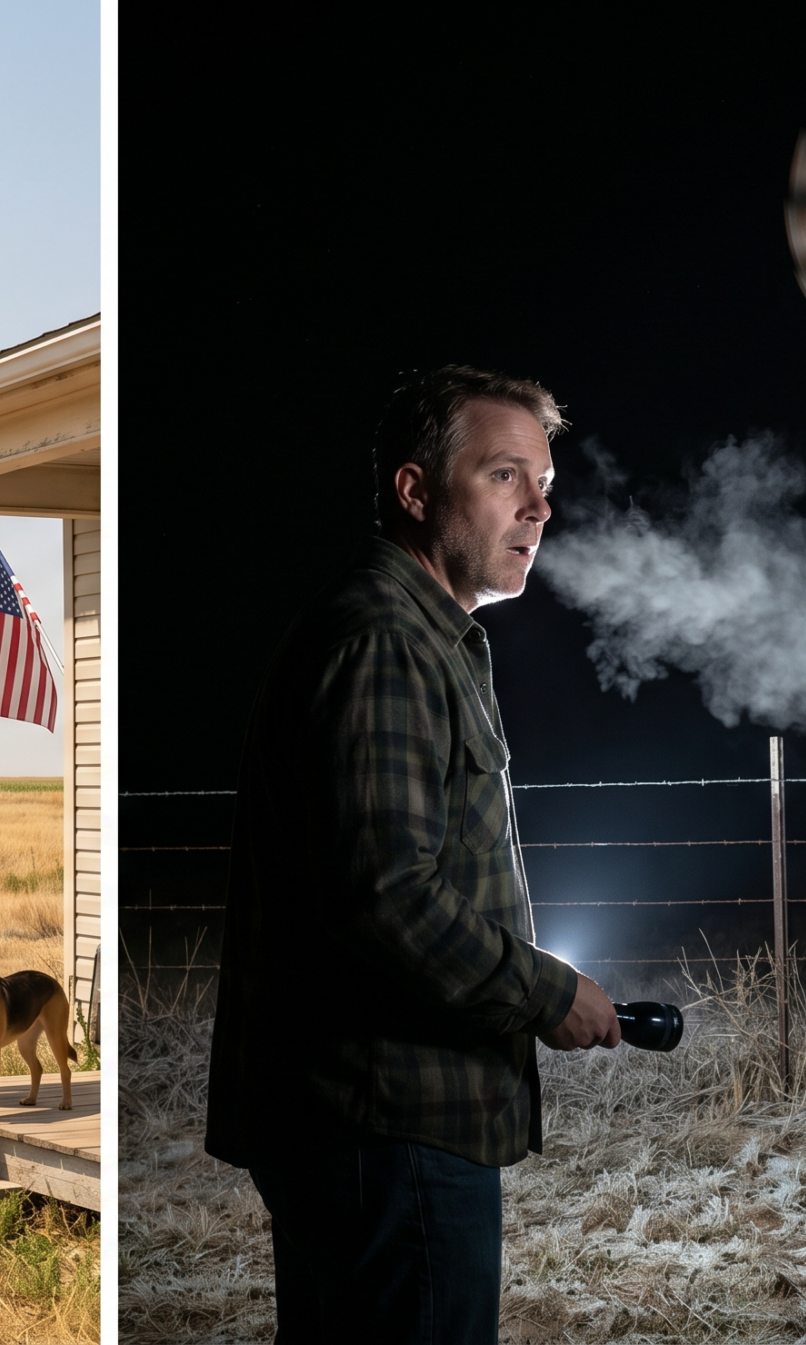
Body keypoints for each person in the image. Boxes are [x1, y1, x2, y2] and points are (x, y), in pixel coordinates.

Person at [205, 366, 622, 1342]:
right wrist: (547, 992)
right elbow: (389, 898)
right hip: (388, 1124)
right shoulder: (386, 641)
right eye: (505, 476)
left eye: (544, 482)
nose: (539, 508)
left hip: (375, 1126)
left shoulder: (422, 636)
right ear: (414, 489)